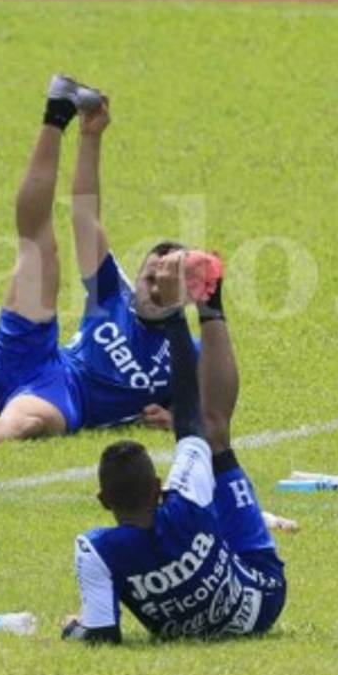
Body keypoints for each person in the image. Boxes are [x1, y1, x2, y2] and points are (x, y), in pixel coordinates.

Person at [0, 80, 188, 454]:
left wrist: (178, 418)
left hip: (63, 397)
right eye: (152, 272)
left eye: (164, 285)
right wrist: (90, 137)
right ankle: (55, 113)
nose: (154, 282)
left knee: (27, 422)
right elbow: (83, 213)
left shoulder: (187, 351)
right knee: (39, 249)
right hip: (33, 356)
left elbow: (211, 410)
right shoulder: (113, 292)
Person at [61, 252, 286, 643]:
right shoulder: (187, 500)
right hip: (262, 601)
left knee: (212, 433)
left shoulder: (96, 549)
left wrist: (71, 629)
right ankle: (211, 305)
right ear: (158, 487)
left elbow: (101, 636)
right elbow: (193, 422)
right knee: (215, 433)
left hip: (245, 608)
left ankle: (209, 304)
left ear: (103, 500)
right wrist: (175, 318)